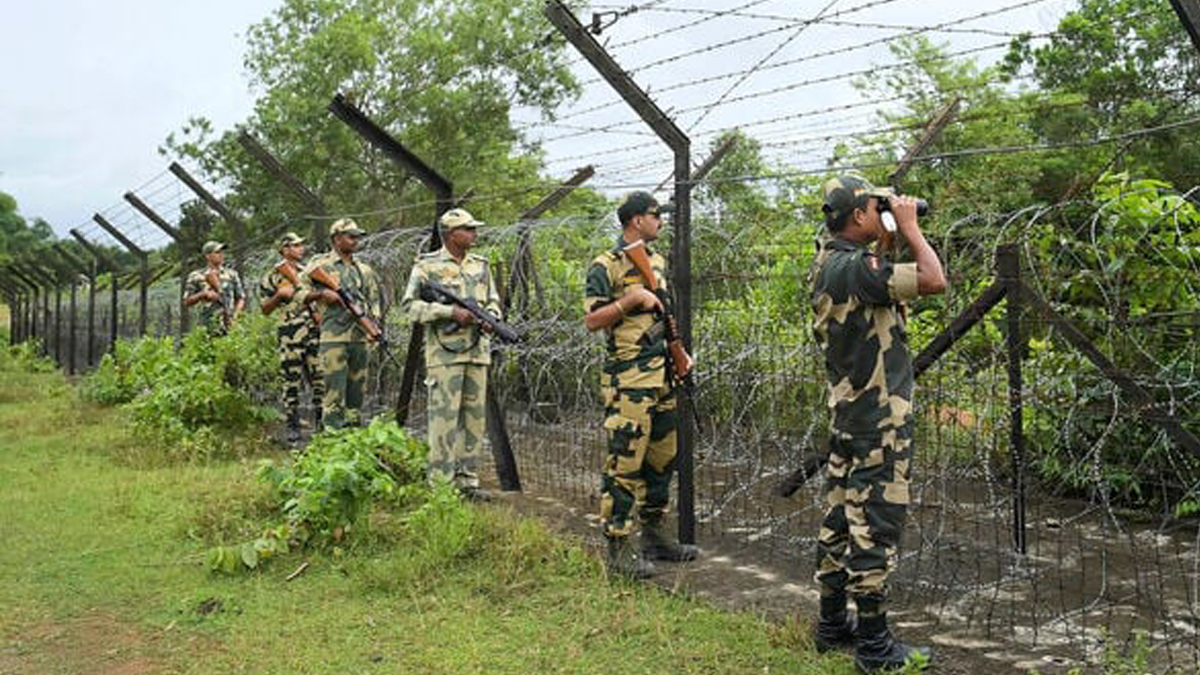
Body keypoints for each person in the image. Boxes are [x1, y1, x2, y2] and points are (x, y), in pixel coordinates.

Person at [809, 176, 946, 673]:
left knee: (841, 519)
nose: (883, 211)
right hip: (879, 420)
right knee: (875, 527)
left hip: (852, 415)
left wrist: (887, 231)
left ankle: (831, 625)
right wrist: (909, 227)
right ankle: (873, 646)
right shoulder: (856, 268)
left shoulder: (832, 262)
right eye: (875, 206)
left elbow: (882, 282)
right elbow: (934, 279)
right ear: (859, 215)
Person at [582, 190, 698, 580]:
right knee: (625, 462)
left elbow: (664, 317)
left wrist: (679, 353)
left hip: (662, 374)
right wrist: (630, 300)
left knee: (662, 459)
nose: (660, 221)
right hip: (628, 379)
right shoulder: (607, 265)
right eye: (654, 215)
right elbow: (593, 321)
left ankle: (654, 536)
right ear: (635, 221)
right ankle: (617, 547)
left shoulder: (657, 261)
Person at [400, 208, 501, 502]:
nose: (474, 233)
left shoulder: (481, 266)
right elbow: (409, 307)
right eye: (467, 229)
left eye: (473, 228)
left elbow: (493, 301)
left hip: (477, 352)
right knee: (444, 421)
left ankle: (467, 481)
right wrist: (449, 312)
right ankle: (441, 486)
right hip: (445, 356)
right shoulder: (427, 266)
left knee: (473, 421)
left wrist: (490, 317)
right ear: (450, 234)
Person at [306, 219, 382, 430]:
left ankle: (353, 437)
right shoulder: (319, 266)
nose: (356, 240)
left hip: (359, 338)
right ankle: (332, 441)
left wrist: (373, 327)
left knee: (356, 394)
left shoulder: (364, 270)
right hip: (334, 338)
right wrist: (322, 294)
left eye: (357, 236)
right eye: (351, 236)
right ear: (336, 238)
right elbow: (298, 294)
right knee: (333, 393)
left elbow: (373, 301)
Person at [260, 232, 324, 443]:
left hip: (313, 331)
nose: (301, 248)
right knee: (291, 381)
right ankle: (292, 425)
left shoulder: (309, 272)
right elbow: (264, 308)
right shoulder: (273, 275)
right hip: (290, 333)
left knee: (319, 378)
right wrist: (279, 295)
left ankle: (322, 424)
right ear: (285, 249)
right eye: (296, 245)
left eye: (301, 244)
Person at [184, 240, 245, 335]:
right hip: (207, 325)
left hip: (229, 323)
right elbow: (187, 301)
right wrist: (203, 294)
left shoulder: (232, 274)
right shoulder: (196, 275)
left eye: (222, 252)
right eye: (217, 252)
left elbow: (240, 297)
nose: (221, 255)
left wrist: (235, 316)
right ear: (207, 256)